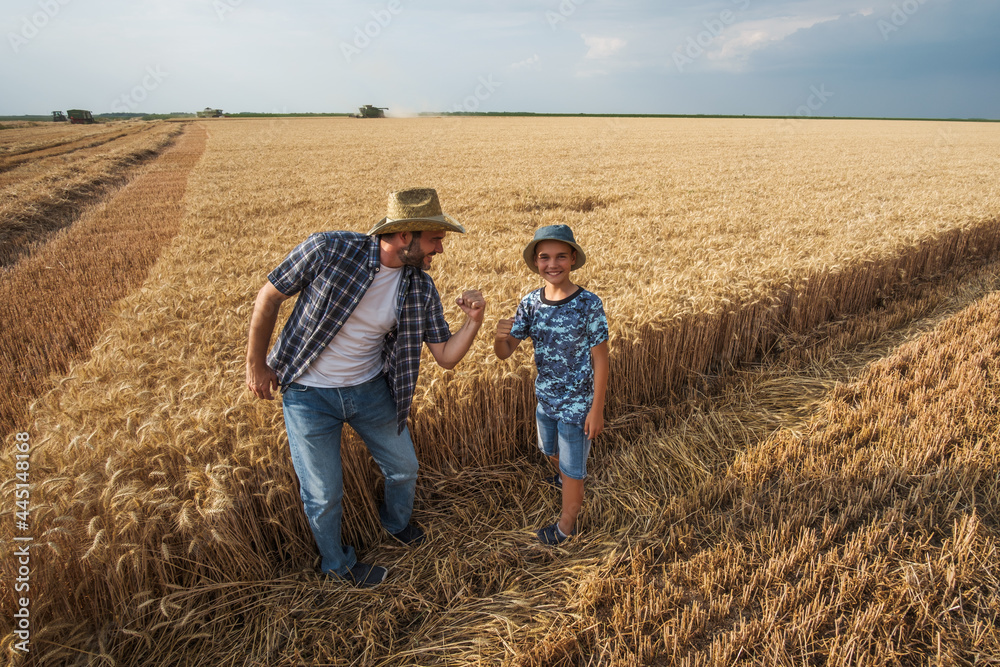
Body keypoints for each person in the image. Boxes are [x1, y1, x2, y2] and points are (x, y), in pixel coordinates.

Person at [246, 188, 486, 586]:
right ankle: (337, 566)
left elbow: (445, 355)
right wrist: (256, 364)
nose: (440, 249)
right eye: (435, 238)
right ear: (404, 236)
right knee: (323, 493)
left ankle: (395, 524)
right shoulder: (329, 249)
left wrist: (474, 321)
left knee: (404, 468)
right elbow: (269, 296)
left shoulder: (419, 287)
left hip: (370, 390)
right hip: (308, 394)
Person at [494, 224, 609, 545]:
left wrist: (596, 409)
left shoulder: (589, 304)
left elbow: (601, 358)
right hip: (545, 400)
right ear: (536, 261)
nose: (552, 264)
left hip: (578, 406)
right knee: (548, 450)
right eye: (544, 257)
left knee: (573, 471)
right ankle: (565, 478)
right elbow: (505, 354)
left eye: (560, 256)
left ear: (573, 259)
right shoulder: (530, 303)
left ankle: (565, 527)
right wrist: (498, 336)